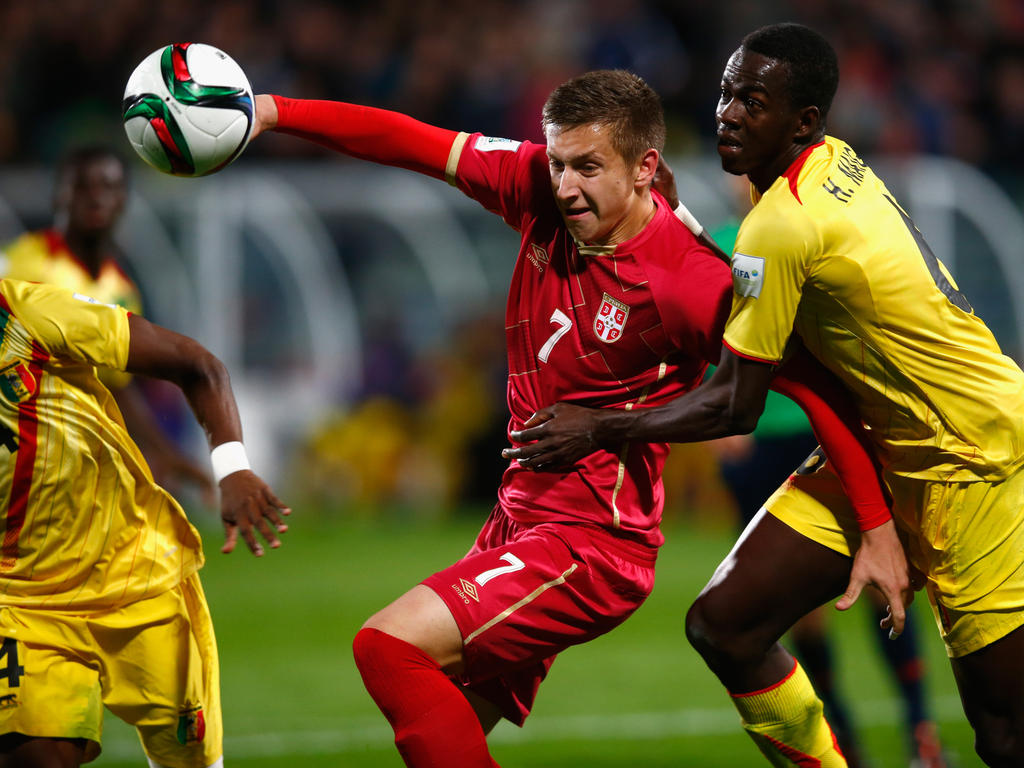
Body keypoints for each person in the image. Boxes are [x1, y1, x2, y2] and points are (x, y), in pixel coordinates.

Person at [248, 69, 907, 767]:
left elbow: (813, 386)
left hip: (591, 544)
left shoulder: (687, 281)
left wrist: (874, 524)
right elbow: (412, 142)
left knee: (385, 647)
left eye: (588, 167)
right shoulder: (536, 186)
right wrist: (272, 111)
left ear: (645, 167)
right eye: (558, 162)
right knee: (445, 733)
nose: (565, 186)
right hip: (518, 520)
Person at [505, 23, 1024, 768]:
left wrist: (598, 428)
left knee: (1004, 731)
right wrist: (684, 225)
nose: (728, 113)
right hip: (891, 447)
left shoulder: (778, 224)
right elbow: (766, 288)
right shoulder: (829, 168)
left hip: (974, 462)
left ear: (803, 122)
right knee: (726, 623)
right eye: (724, 92)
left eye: (754, 101)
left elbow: (734, 405)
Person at [0, 278, 290, 767]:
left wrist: (232, 467)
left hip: (133, 572)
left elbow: (197, 365)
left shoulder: (27, 314)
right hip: (21, 599)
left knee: (189, 757)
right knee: (36, 754)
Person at [0, 145, 214, 498]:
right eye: (82, 187)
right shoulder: (23, 265)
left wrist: (164, 452)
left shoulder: (121, 291)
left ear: (124, 200)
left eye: (108, 186)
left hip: (68, 471)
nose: (96, 197)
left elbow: (115, 384)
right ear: (60, 197)